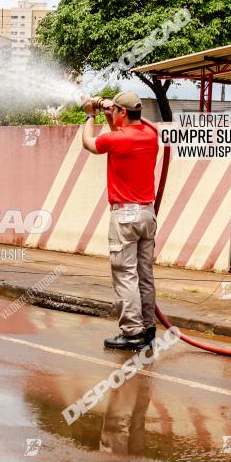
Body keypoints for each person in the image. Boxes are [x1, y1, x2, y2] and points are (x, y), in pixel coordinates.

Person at [81, 91, 160, 350]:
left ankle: (131, 332)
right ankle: (147, 327)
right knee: (144, 274)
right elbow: (120, 134)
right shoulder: (150, 136)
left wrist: (90, 114)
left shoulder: (118, 139)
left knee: (125, 274)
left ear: (122, 113)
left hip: (124, 216)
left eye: (115, 110)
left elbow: (89, 144)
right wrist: (109, 111)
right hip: (147, 214)